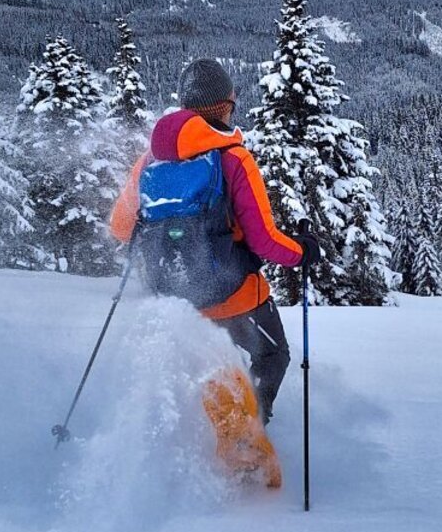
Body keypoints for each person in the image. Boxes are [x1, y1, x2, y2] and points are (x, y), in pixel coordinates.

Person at [109, 59, 320, 425]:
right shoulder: (234, 159)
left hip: (176, 300)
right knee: (273, 356)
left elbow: (121, 228)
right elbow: (265, 241)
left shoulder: (150, 162)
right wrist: (303, 252)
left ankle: (208, 419)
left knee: (207, 361)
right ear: (225, 104)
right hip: (233, 296)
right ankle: (251, 423)